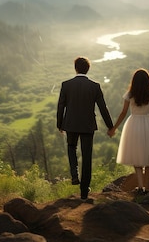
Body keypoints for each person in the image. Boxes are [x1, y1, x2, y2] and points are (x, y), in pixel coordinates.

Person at [57, 56, 113, 200]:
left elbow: (61, 106)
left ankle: (74, 175)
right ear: (88, 69)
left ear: (75, 68)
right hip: (88, 125)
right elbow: (103, 108)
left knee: (71, 147)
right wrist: (110, 126)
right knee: (87, 156)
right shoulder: (95, 86)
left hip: (71, 124)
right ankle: (84, 192)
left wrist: (60, 124)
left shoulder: (66, 85)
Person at [108, 68, 149, 195]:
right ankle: (147, 188)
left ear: (134, 81)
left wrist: (114, 128)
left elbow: (123, 113)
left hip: (133, 125)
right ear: (147, 82)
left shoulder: (129, 95)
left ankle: (140, 187)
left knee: (137, 158)